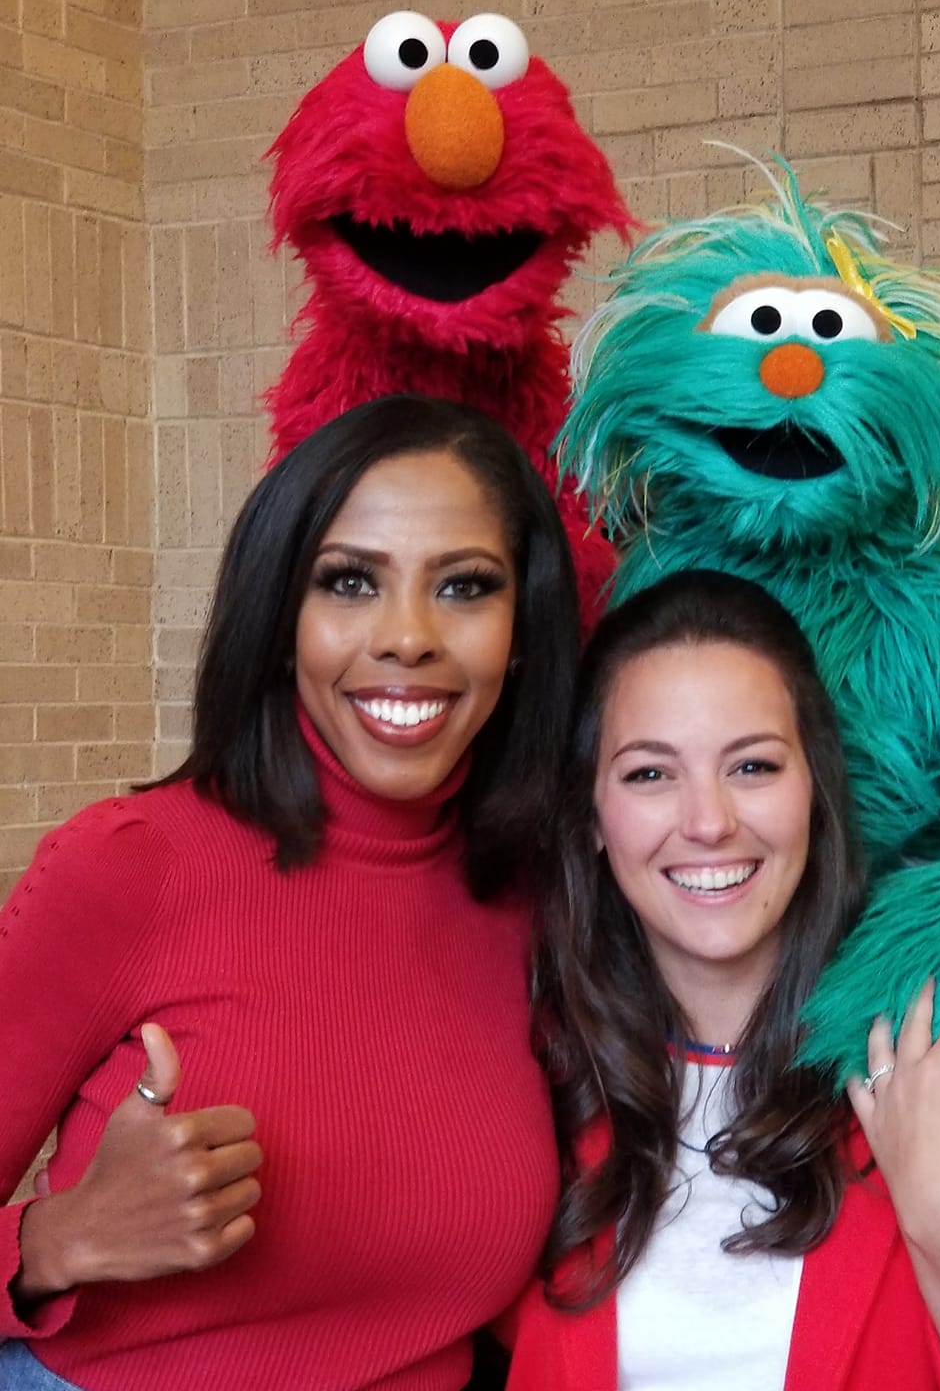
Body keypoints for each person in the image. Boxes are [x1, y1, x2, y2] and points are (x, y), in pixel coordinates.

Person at [0, 394, 580, 1391]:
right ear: (280, 621)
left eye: (465, 587)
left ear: (521, 633)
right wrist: (53, 1243)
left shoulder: (542, 901)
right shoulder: (127, 866)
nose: (407, 638)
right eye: (349, 582)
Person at [506, 568, 940, 1391]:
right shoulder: (544, 1083)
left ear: (816, 790)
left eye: (753, 767)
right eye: (650, 775)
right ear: (592, 818)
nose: (708, 823)